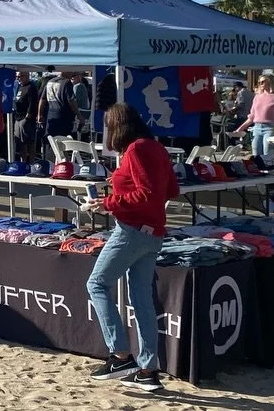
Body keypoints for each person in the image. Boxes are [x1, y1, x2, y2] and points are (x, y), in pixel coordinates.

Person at [82, 103, 178, 393]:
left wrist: (108, 203)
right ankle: (148, 370)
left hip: (133, 230)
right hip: (153, 232)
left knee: (96, 284)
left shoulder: (136, 150)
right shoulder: (156, 147)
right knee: (141, 300)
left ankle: (120, 355)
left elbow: (146, 193)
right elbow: (170, 190)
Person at [235, 75, 274, 160]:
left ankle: (269, 172)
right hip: (256, 128)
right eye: (259, 82)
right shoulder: (257, 97)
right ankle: (259, 172)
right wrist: (240, 129)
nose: (260, 84)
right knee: (256, 156)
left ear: (270, 82)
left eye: (263, 82)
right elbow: (252, 116)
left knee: (268, 156)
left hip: (270, 128)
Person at [39, 70, 78, 141]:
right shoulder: (67, 82)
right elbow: (71, 101)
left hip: (50, 115)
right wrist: (79, 115)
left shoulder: (50, 82)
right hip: (64, 117)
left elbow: (42, 99)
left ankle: (49, 152)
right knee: (64, 142)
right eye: (72, 72)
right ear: (65, 71)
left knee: (50, 140)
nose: (72, 75)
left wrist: (40, 114)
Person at [11, 71, 41, 159]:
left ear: (27, 76)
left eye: (20, 76)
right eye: (17, 77)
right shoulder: (19, 87)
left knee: (29, 140)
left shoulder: (31, 87)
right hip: (18, 117)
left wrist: (28, 116)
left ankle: (31, 161)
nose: (18, 79)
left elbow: (33, 103)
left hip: (26, 118)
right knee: (20, 141)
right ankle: (22, 161)